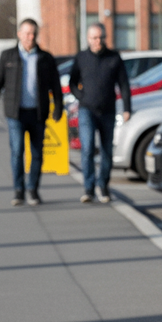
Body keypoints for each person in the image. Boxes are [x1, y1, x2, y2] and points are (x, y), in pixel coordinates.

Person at [0, 18, 63, 206]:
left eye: (33, 33)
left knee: (37, 154)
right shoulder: (8, 56)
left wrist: (59, 107)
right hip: (15, 114)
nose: (30, 37)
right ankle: (18, 190)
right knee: (17, 151)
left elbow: (55, 86)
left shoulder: (46, 58)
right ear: (19, 34)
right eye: (27, 33)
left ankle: (33, 190)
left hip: (38, 113)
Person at [69, 23, 132, 204]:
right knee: (87, 148)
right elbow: (73, 82)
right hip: (87, 110)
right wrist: (81, 96)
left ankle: (103, 185)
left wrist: (127, 107)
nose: (98, 41)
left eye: (101, 38)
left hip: (108, 111)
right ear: (88, 39)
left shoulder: (114, 58)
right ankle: (88, 188)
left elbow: (124, 84)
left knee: (106, 151)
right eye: (95, 38)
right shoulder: (81, 57)